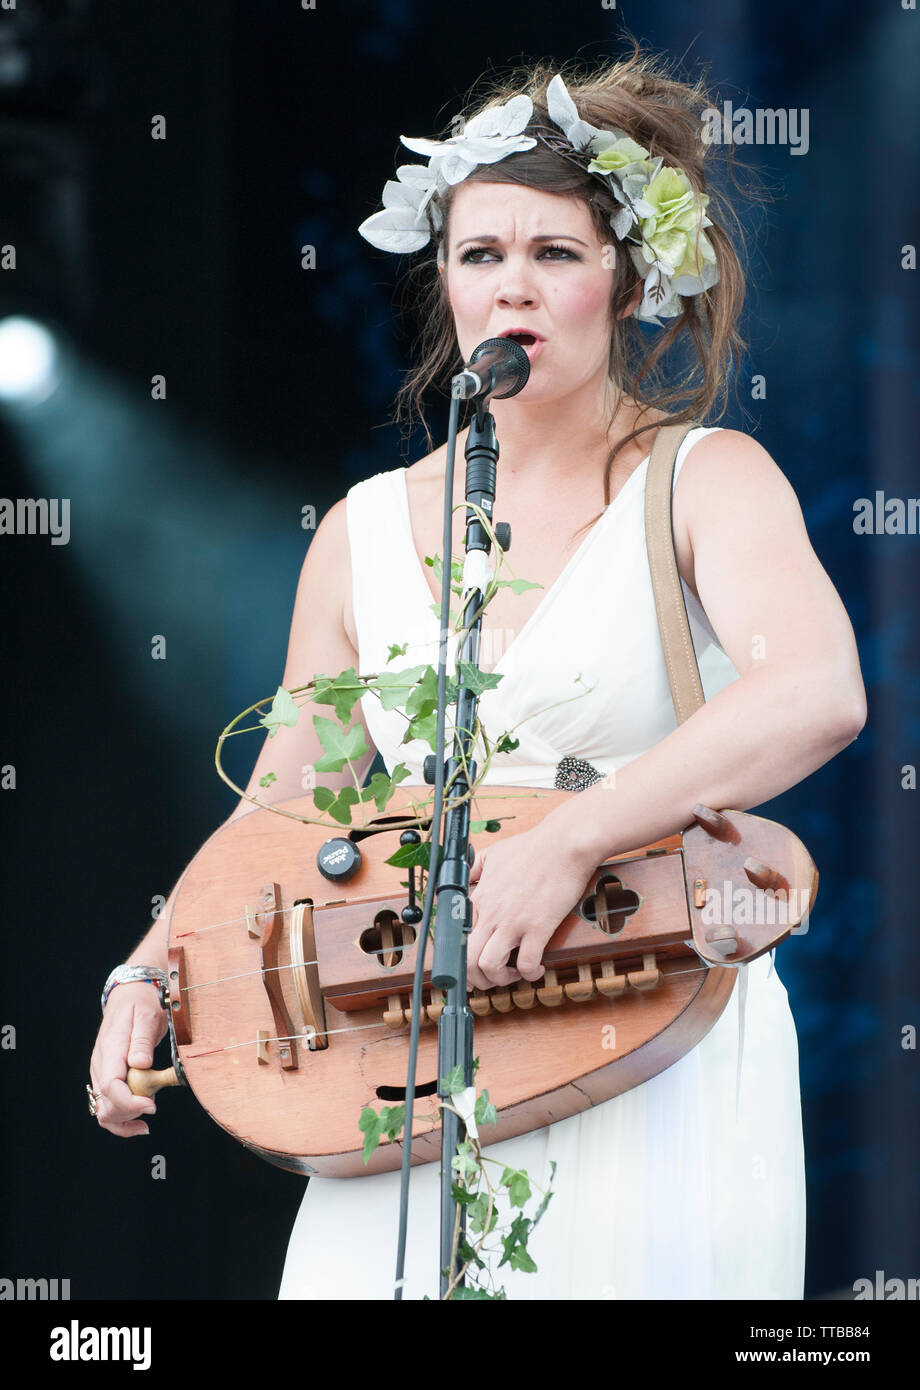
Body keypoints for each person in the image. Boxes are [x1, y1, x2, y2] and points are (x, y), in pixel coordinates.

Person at [89, 46, 867, 1300]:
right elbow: (281, 802)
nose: (512, 288)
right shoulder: (361, 530)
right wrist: (149, 972)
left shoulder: (701, 481)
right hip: (414, 1041)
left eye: (553, 254)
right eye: (479, 256)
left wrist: (572, 839)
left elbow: (815, 691)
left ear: (625, 284)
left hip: (647, 1027)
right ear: (444, 285)